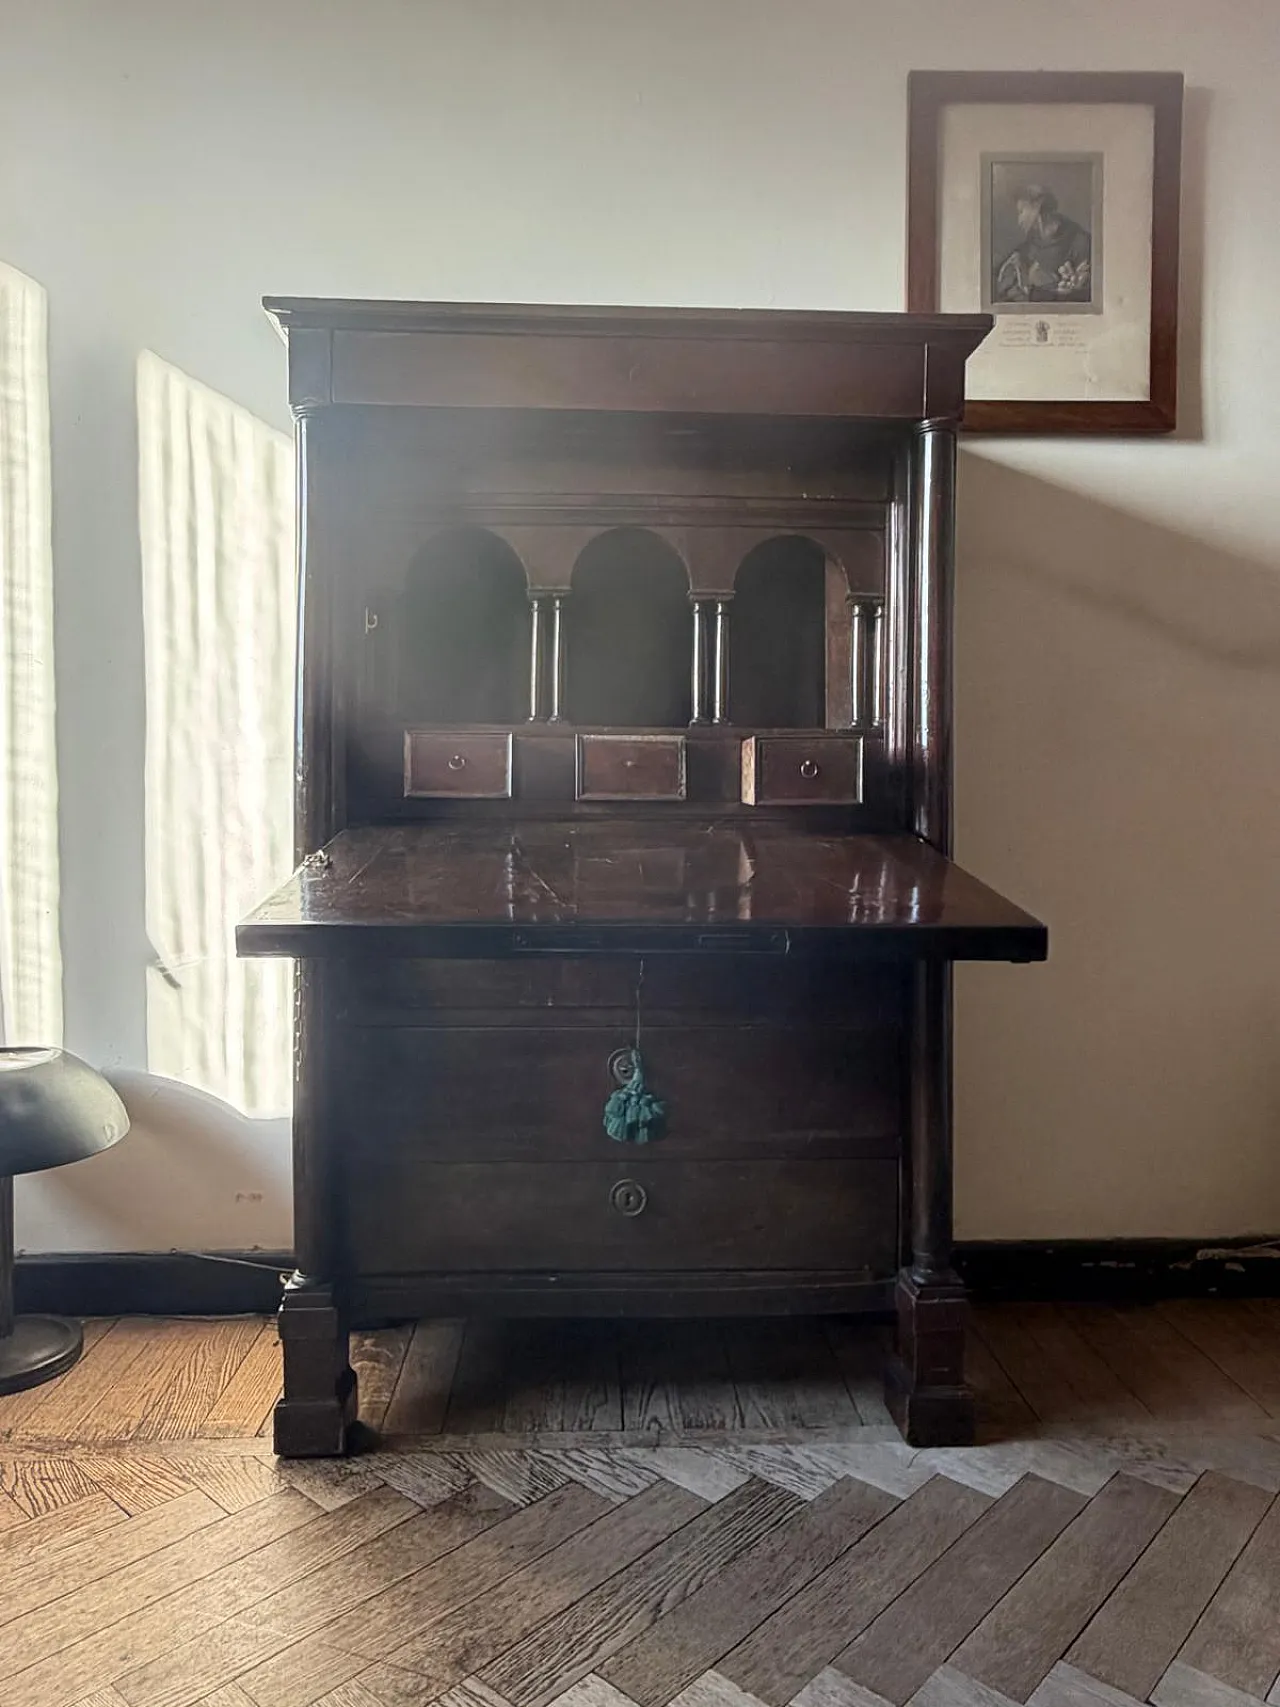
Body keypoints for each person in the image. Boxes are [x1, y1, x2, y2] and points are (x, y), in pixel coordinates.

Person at [994, 185, 1092, 304]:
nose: (1019, 220)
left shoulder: (1080, 242)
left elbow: (1089, 296)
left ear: (1036, 208)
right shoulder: (1028, 247)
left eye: (1021, 211)